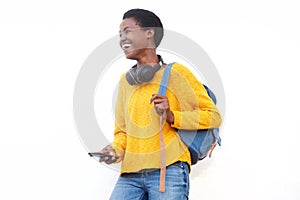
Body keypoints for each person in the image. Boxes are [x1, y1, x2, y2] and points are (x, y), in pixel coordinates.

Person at [99, 8, 222, 200]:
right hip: (130, 173)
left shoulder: (176, 73)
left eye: (128, 31)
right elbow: (122, 132)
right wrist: (114, 150)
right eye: (120, 34)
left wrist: (173, 116)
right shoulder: (125, 82)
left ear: (150, 33)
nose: (122, 38)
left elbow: (213, 116)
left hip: (169, 168)